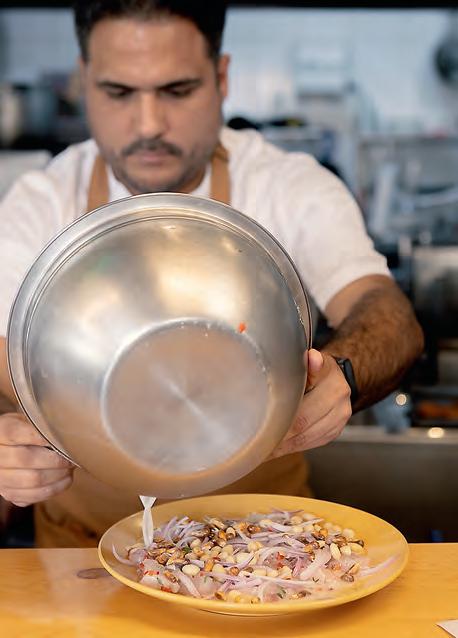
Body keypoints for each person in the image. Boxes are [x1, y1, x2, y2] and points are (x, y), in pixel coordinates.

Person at [0, 0, 423, 547]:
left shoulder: (288, 186)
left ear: (221, 78)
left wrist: (346, 372)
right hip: (78, 564)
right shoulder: (39, 205)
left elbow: (387, 314)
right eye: (118, 92)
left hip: (268, 557)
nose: (149, 124)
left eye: (177, 91)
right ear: (83, 81)